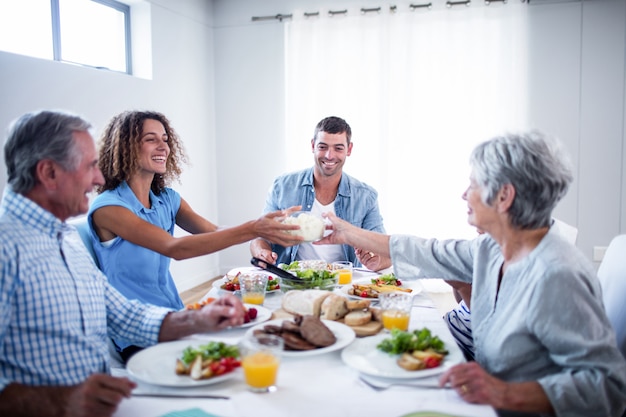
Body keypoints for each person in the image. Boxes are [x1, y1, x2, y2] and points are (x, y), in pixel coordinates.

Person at [316, 130, 626, 416]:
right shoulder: (493, 249)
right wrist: (345, 232)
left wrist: (506, 393)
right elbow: (427, 250)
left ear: (504, 196)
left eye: (474, 184)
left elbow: (607, 387)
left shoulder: (557, 275)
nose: (465, 194)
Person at [0, 110, 249, 417]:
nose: (98, 178)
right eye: (90, 166)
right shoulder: (7, 248)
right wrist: (59, 401)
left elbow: (120, 313)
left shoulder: (63, 237)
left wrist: (196, 320)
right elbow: (175, 249)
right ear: (49, 173)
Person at [89, 110, 302, 362]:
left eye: (165, 139)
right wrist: (254, 228)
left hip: (175, 317)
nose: (163, 147)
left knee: (258, 346)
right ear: (125, 146)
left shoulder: (167, 199)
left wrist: (264, 231)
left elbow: (214, 233)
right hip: (137, 332)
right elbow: (174, 248)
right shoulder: (109, 207)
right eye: (150, 139)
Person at [250, 116, 391, 271]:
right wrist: (262, 252)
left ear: (349, 149)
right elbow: (261, 236)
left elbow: (386, 251)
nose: (329, 156)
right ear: (313, 145)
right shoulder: (282, 187)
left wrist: (377, 261)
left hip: (343, 283)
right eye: (323, 147)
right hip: (292, 280)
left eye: (338, 148)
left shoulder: (366, 196)